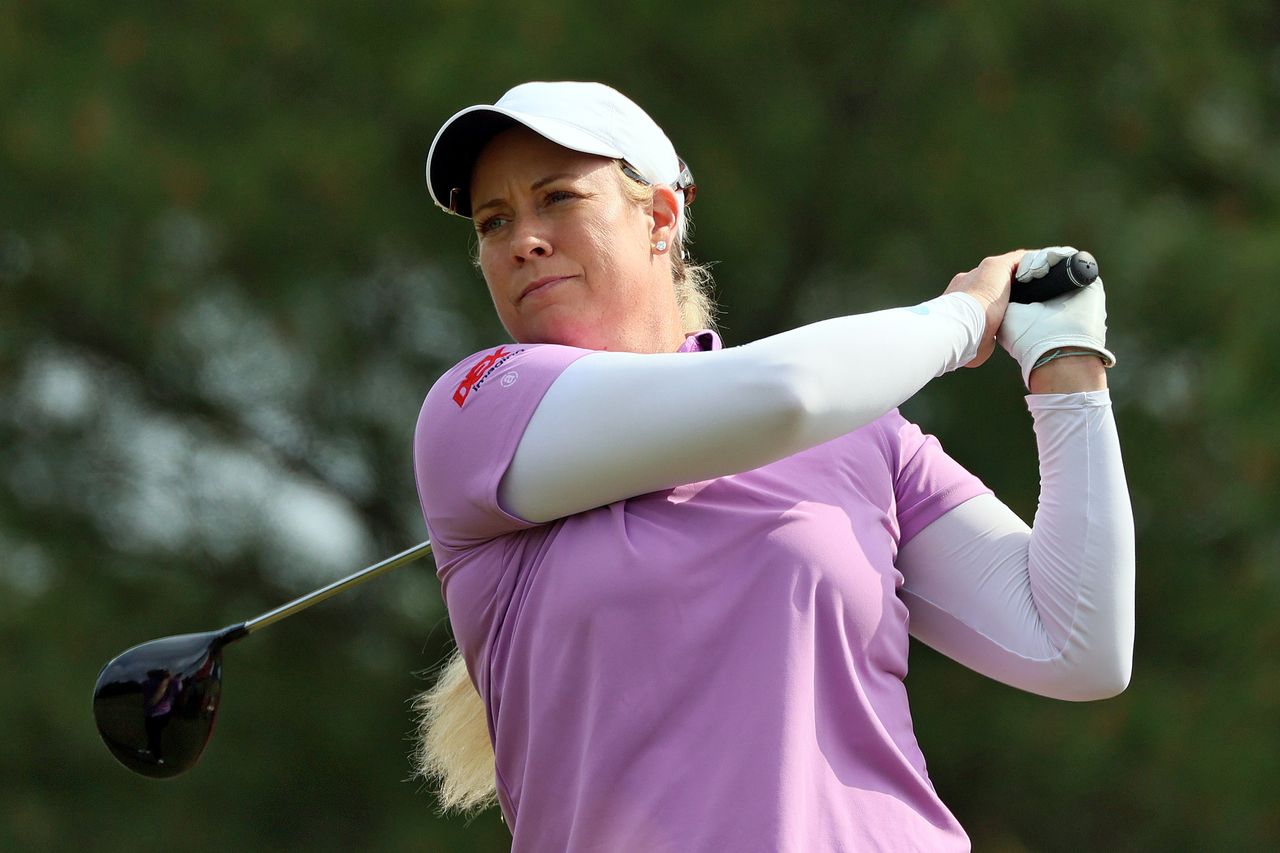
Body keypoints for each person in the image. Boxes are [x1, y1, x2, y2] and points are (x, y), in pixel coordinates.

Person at [411, 81, 1134, 852]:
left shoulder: (860, 436)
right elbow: (790, 392)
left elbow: (1076, 643)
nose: (523, 238)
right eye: (495, 221)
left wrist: (1067, 365)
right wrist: (958, 319)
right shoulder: (477, 412)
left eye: (556, 198)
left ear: (660, 217)